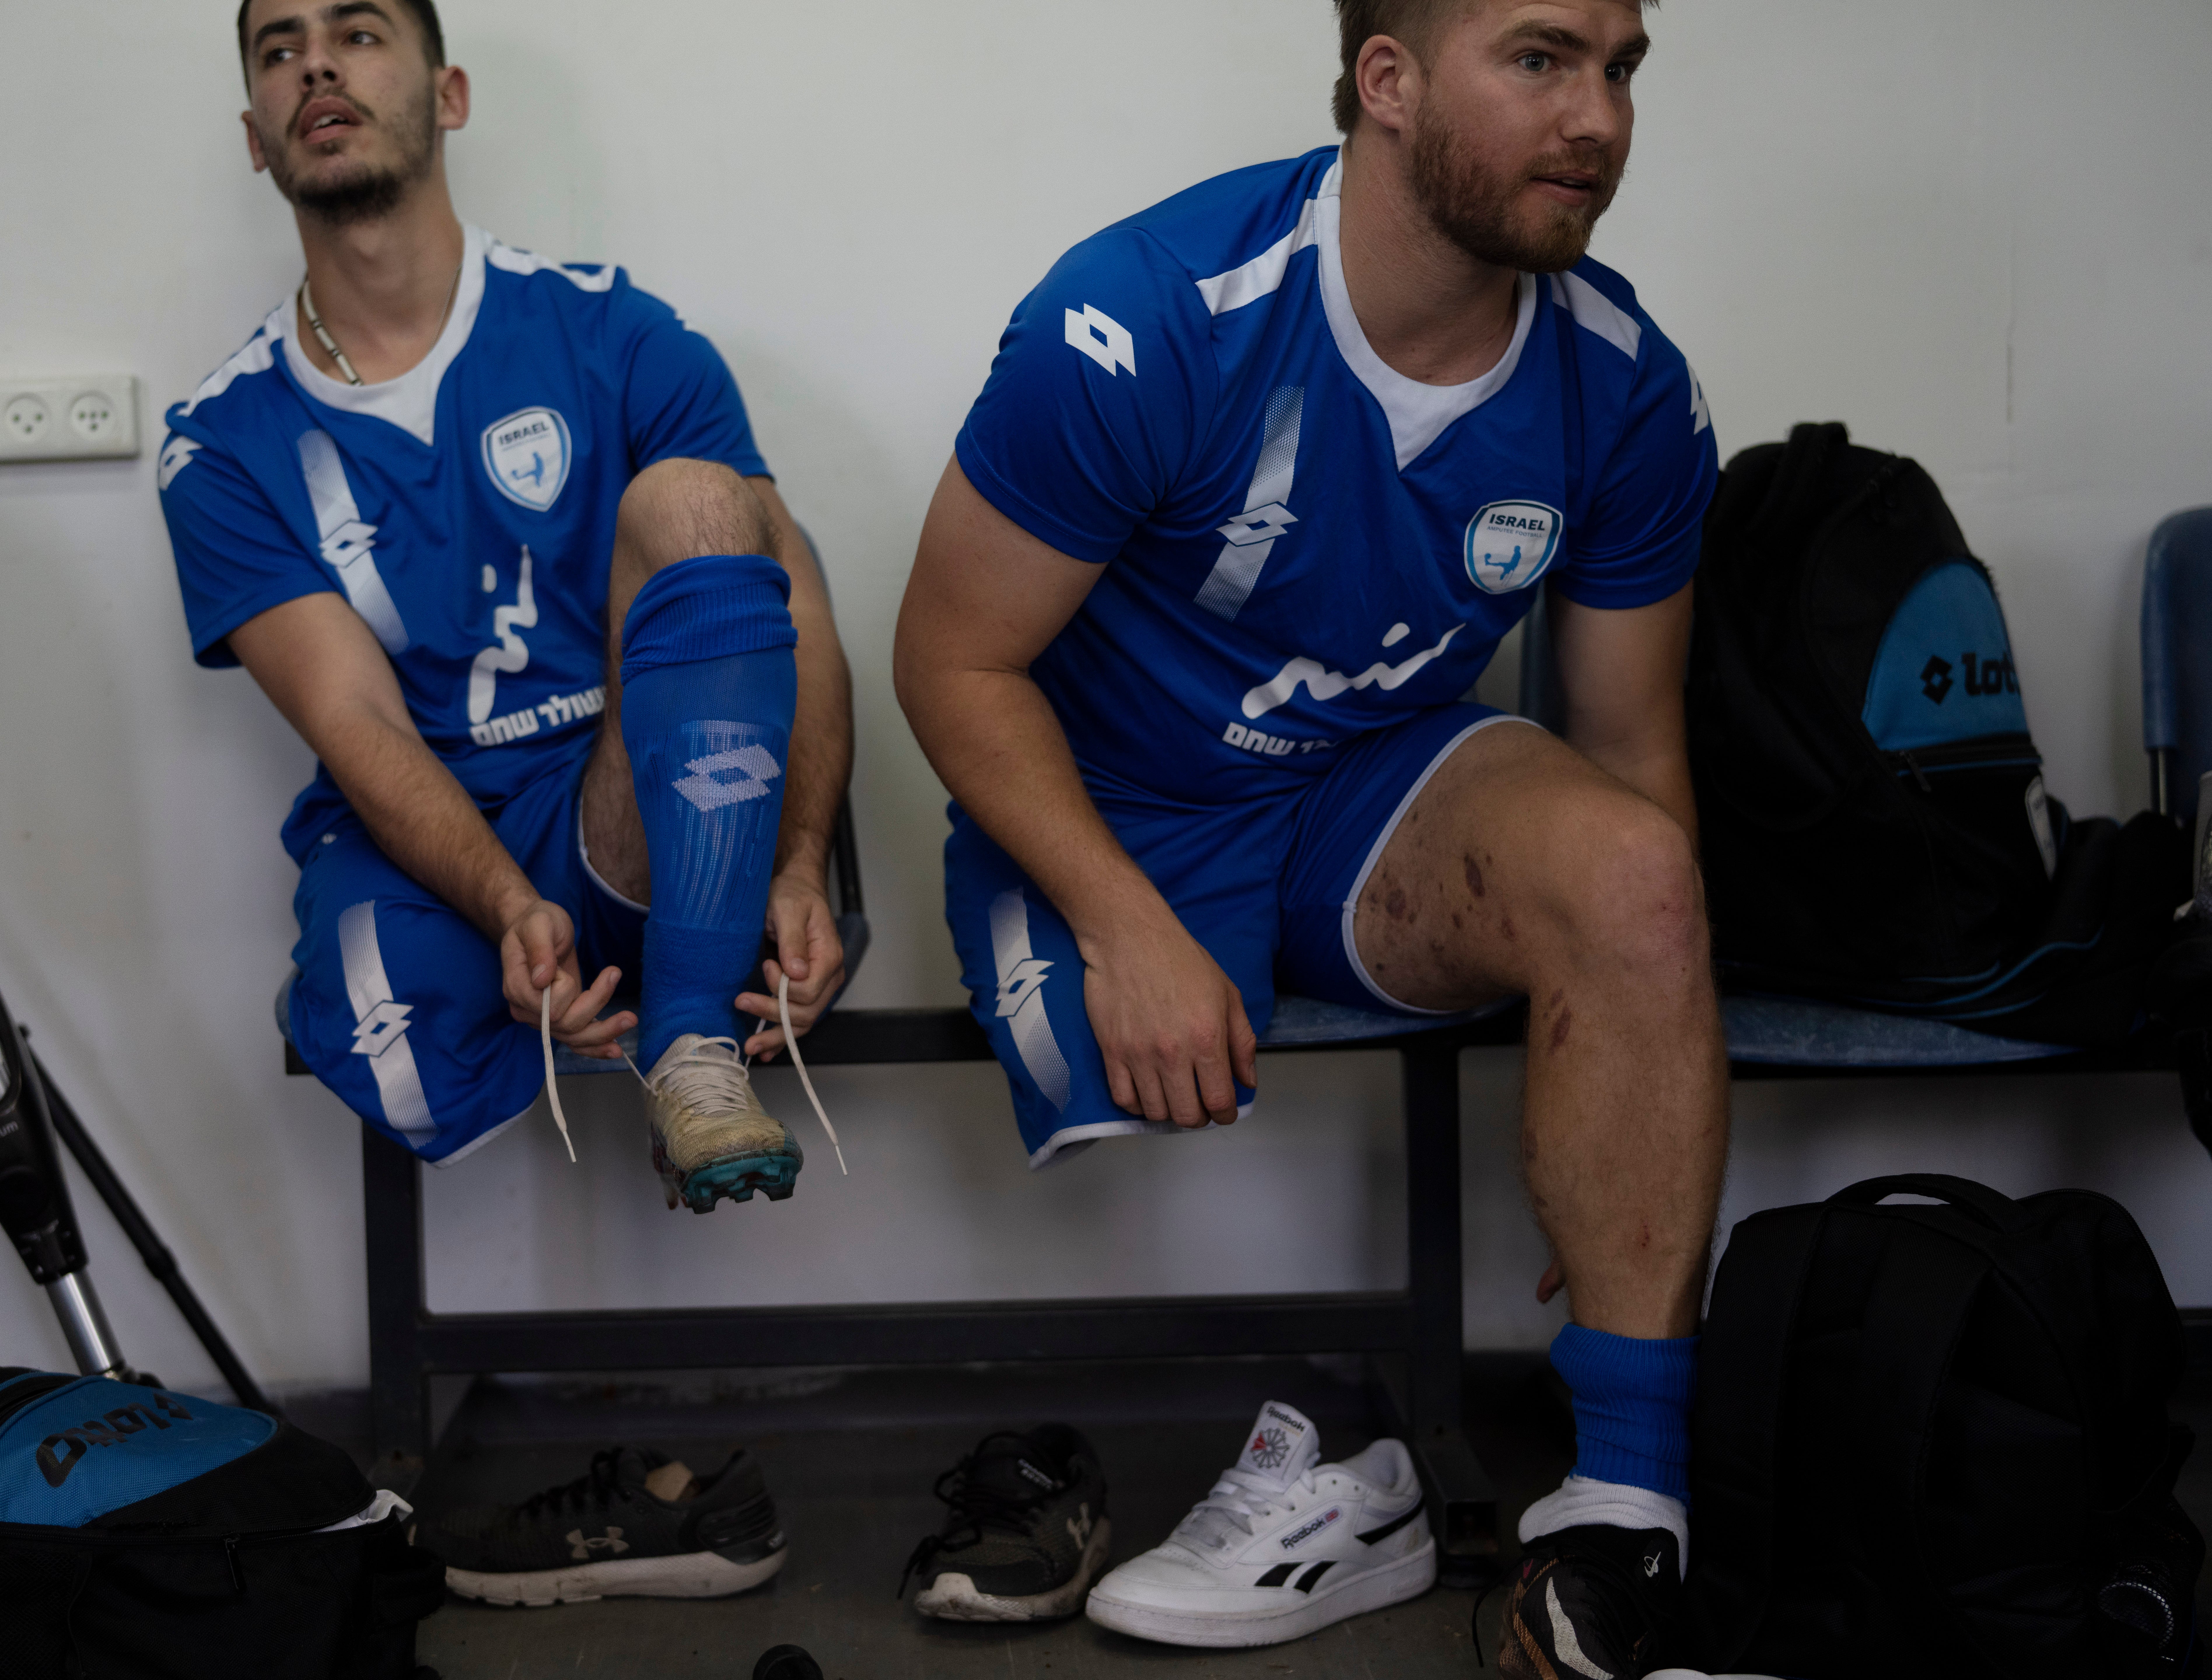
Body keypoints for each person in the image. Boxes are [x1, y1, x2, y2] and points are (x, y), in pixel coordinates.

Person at [894, 1, 1721, 1673]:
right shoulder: (1144, 314)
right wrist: (1124, 927)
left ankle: (1625, 1510)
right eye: (1541, 59)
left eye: (1621, 68)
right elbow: (952, 663)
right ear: (1386, 80)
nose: (1598, 117)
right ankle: (1324, 1487)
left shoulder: (1626, 380)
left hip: (1368, 789)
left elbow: (1631, 754)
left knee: (1637, 876)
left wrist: (1628, 1086)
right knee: (1127, 1099)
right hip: (1118, 795)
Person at [157, 0, 855, 1216]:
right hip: (432, 839)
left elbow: (792, 607)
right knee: (383, 1030)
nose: (315, 64)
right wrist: (507, 906)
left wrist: (801, 860)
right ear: (257, 140)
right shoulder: (219, 445)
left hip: (635, 793)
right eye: (280, 48)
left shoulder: (615, 330)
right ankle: (641, 973)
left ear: (451, 95)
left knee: (702, 502)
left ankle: (692, 1038)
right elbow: (357, 721)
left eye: (358, 32)